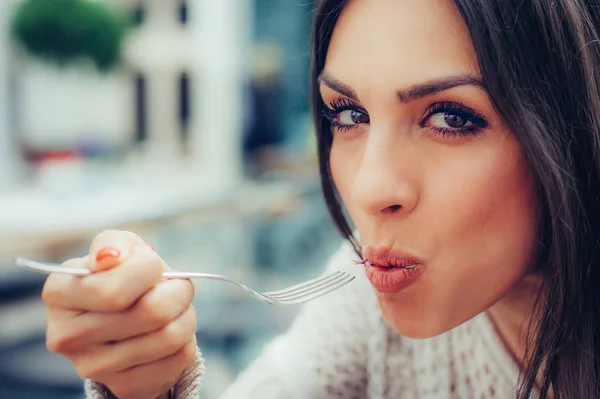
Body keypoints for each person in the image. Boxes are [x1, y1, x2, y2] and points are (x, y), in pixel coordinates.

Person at [40, 0, 600, 397]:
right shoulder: (368, 292)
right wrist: (146, 386)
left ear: (575, 127)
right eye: (349, 115)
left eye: (450, 117)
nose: (368, 187)